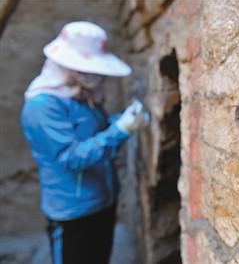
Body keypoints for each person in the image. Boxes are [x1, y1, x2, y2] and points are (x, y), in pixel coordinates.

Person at [20, 21, 148, 264]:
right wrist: (120, 131)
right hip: (73, 212)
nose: (98, 77)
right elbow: (70, 157)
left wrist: (121, 120)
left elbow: (94, 132)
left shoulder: (79, 95)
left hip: (103, 201)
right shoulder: (42, 105)